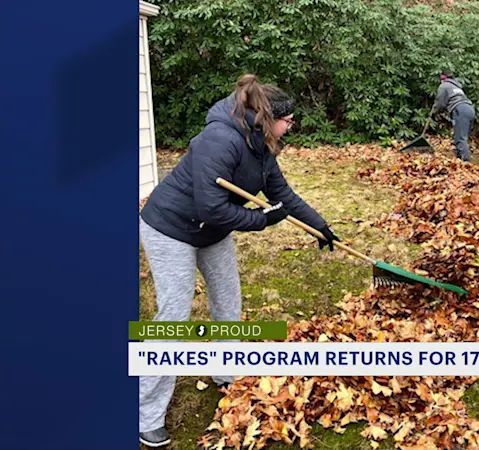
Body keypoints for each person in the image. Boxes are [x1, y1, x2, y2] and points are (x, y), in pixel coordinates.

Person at [137, 74, 339, 447]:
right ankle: (145, 414)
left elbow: (284, 196)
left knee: (228, 301)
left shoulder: (262, 145)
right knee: (174, 315)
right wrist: (262, 221)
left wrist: (320, 227)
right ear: (267, 116)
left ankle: (224, 371)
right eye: (288, 120)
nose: (291, 126)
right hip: (169, 228)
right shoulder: (220, 140)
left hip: (210, 231)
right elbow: (210, 207)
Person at [432, 70, 476, 162]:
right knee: (462, 137)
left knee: (460, 139)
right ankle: (459, 159)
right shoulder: (456, 86)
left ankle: (466, 163)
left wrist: (433, 112)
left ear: (443, 78)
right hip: (470, 109)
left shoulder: (444, 86)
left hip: (460, 110)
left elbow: (440, 103)